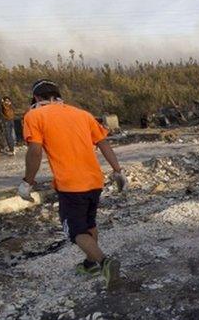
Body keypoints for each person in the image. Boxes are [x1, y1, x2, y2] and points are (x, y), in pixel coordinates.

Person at [17, 79, 128, 287]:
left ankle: (105, 262)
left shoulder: (34, 115)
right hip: (94, 181)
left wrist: (27, 181)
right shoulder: (82, 114)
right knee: (89, 223)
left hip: (70, 185)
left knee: (76, 231)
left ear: (37, 98)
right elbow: (103, 142)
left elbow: (34, 151)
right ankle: (90, 263)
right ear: (57, 96)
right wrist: (117, 171)